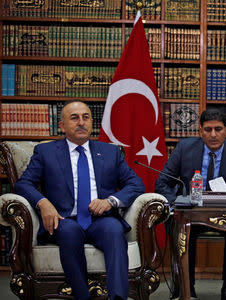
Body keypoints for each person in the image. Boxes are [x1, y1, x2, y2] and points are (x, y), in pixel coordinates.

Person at [15, 100, 145, 300]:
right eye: (74, 118)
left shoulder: (110, 152)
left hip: (101, 220)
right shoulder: (46, 152)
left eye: (86, 117)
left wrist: (110, 201)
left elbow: (135, 184)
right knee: (69, 231)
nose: (81, 122)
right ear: (62, 126)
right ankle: (82, 296)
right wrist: (43, 203)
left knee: (114, 229)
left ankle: (118, 297)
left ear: (92, 122)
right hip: (63, 219)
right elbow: (23, 184)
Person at [155, 107, 226, 300]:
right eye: (207, 129)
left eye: (218, 129)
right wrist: (177, 202)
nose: (213, 134)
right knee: (181, 230)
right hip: (192, 212)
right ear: (200, 131)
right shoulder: (185, 149)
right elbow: (162, 182)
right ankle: (186, 286)